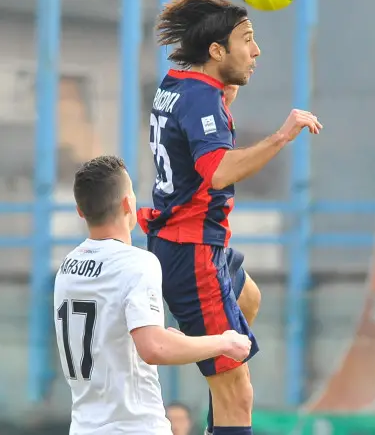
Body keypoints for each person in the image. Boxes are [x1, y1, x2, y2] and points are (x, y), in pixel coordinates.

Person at [137, 0, 322, 435]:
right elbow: (217, 171)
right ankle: (221, 409)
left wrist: (226, 90)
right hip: (192, 251)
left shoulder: (178, 83)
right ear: (217, 51)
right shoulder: (202, 99)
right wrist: (282, 136)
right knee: (238, 390)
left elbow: (191, 129)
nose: (256, 51)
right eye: (247, 40)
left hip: (186, 242)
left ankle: (215, 410)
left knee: (248, 298)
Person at [54, 155, 252, 435]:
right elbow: (153, 348)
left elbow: (112, 337)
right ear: (127, 204)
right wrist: (223, 342)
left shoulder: (68, 266)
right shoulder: (136, 262)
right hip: (133, 427)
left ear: (80, 211)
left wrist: (170, 339)